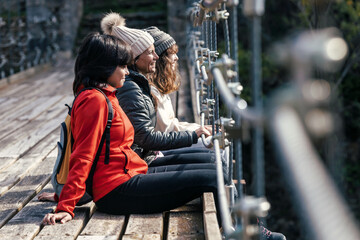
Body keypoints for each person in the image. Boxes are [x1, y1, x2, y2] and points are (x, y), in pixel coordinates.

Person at [42, 32, 220, 224]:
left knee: (213, 166)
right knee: (214, 177)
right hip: (116, 191)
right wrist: (66, 205)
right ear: (104, 66)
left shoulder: (106, 94)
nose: (127, 72)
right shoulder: (94, 100)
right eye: (123, 66)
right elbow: (83, 154)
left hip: (131, 173)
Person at [100, 13, 216, 167]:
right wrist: (196, 133)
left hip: (147, 154)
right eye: (171, 54)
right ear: (135, 57)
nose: (177, 58)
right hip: (146, 157)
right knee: (214, 154)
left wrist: (198, 130)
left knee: (213, 155)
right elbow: (155, 135)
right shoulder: (133, 88)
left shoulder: (140, 85)